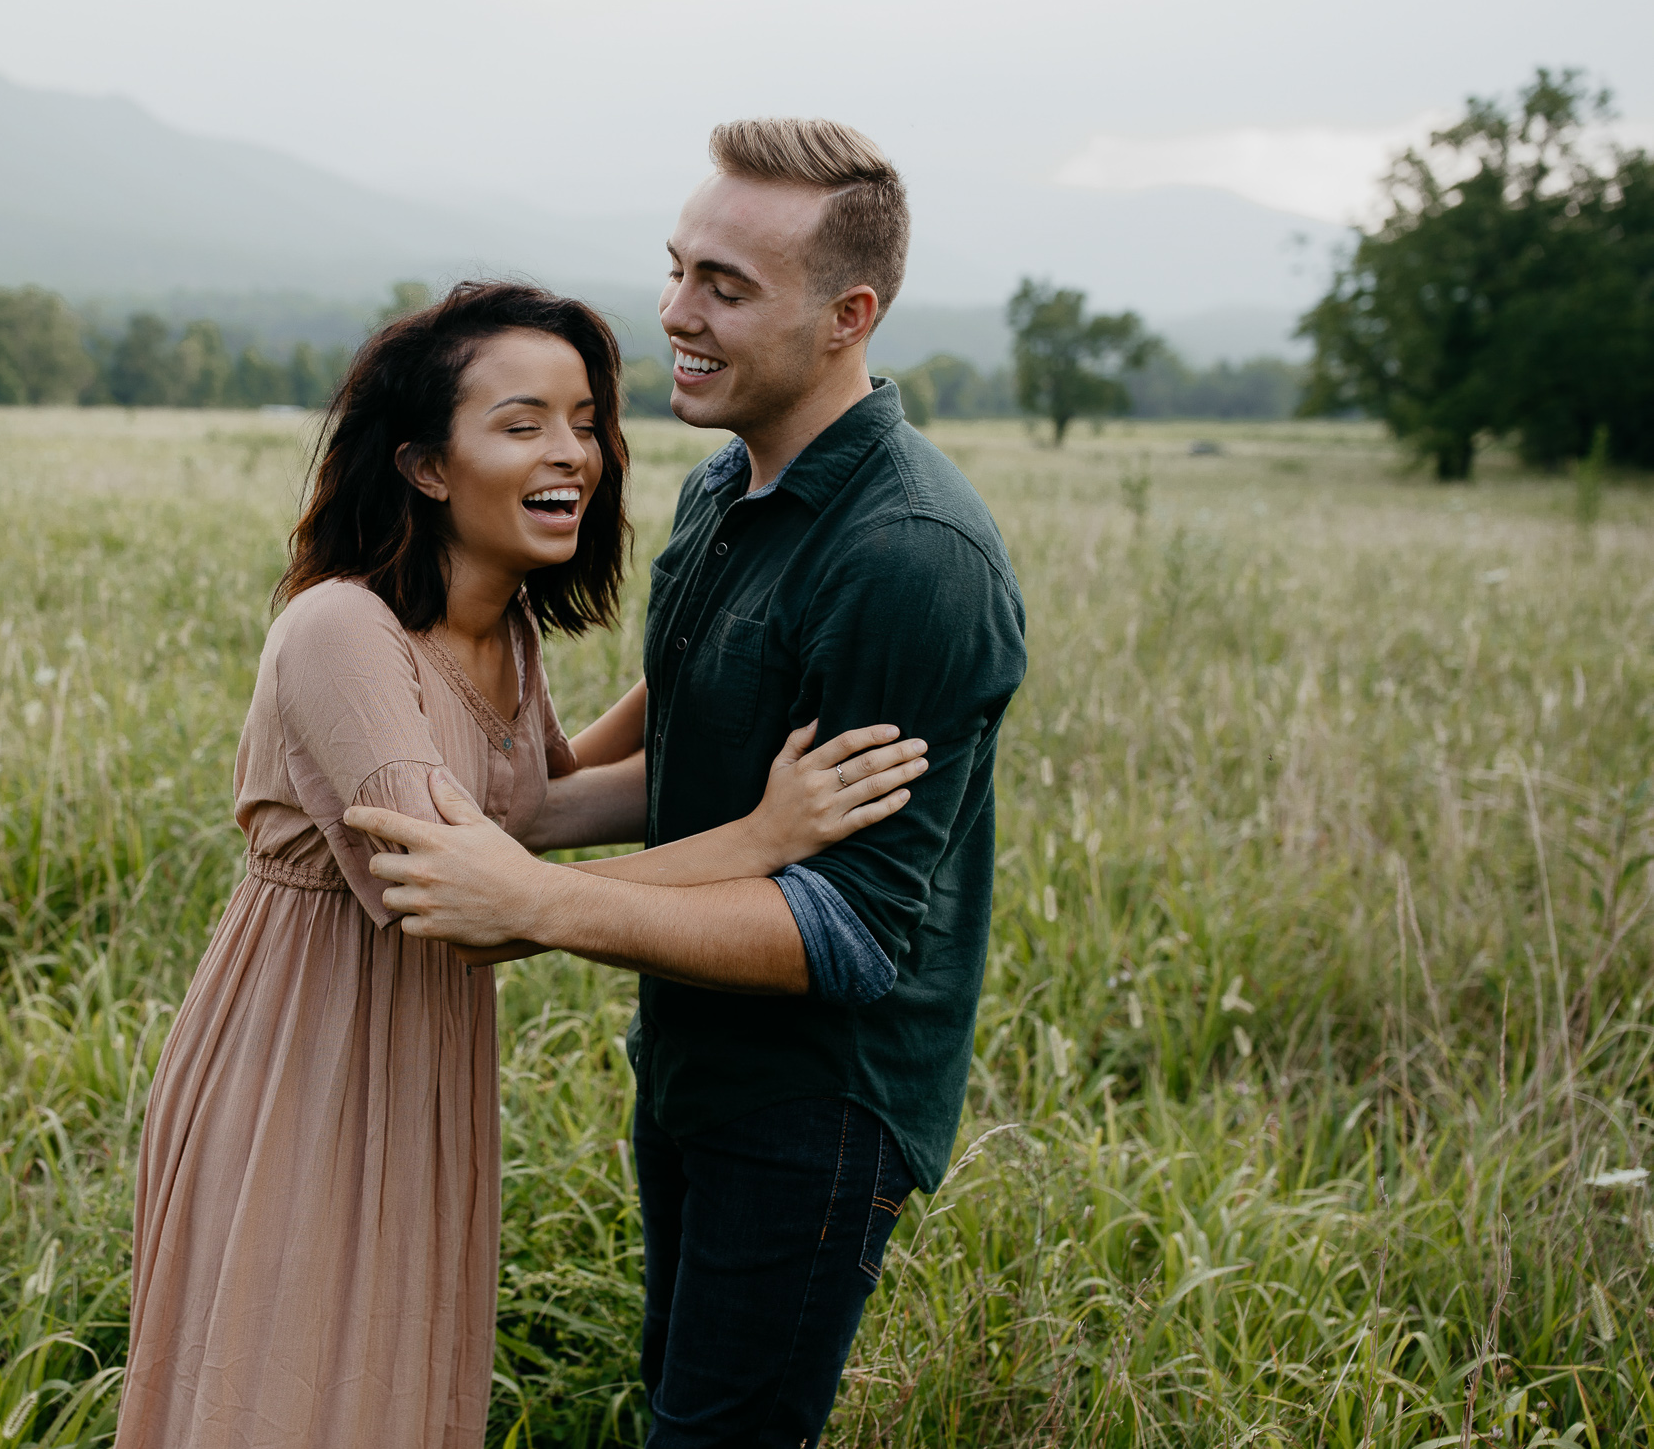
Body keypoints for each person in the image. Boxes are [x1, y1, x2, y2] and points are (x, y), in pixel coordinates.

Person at [115, 280, 929, 1449]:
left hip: (422, 1058)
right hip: (302, 1053)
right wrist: (758, 842)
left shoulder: (503, 628)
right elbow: (465, 898)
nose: (573, 453)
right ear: (426, 467)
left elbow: (532, 813)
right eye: (522, 423)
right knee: (288, 1396)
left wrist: (753, 697)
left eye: (587, 419)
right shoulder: (343, 629)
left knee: (392, 1378)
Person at [346, 119, 1029, 1447]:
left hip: (813, 1100)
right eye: (675, 270)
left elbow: (844, 931)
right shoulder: (729, 482)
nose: (671, 314)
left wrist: (536, 898)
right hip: (694, 1050)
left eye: (723, 286)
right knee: (676, 1399)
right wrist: (537, 809)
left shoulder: (909, 556)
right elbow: (703, 747)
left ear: (848, 316)